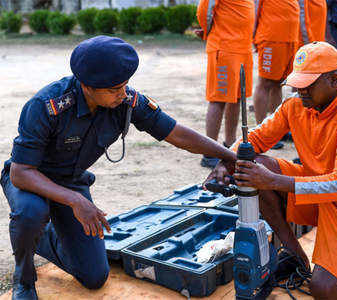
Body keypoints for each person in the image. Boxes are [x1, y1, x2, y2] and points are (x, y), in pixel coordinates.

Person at [0, 35, 237, 300]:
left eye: (125, 86)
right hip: (32, 179)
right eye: (114, 89)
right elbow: (21, 173)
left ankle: (41, 235)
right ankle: (24, 278)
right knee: (31, 211)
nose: (123, 94)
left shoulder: (124, 100)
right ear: (87, 86)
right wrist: (75, 200)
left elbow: (175, 133)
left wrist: (228, 156)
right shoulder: (46, 106)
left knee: (93, 277)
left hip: (71, 181)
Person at [206, 42, 337, 298]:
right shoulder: (296, 105)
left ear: (333, 79)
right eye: (297, 82)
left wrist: (275, 181)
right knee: (252, 167)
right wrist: (225, 160)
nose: (299, 89)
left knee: (325, 290)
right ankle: (294, 253)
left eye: (307, 83)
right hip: (319, 192)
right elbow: (255, 139)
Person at [196, 0, 255, 168]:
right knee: (218, 100)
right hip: (224, 46)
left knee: (236, 98)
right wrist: (208, 31)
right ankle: (209, 153)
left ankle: (230, 145)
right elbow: (204, 9)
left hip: (242, 48)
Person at [252, 0, 300, 149]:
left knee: (279, 83)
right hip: (272, 35)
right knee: (265, 83)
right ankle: (261, 133)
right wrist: (252, 33)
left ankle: (275, 130)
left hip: (290, 36)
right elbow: (255, 4)